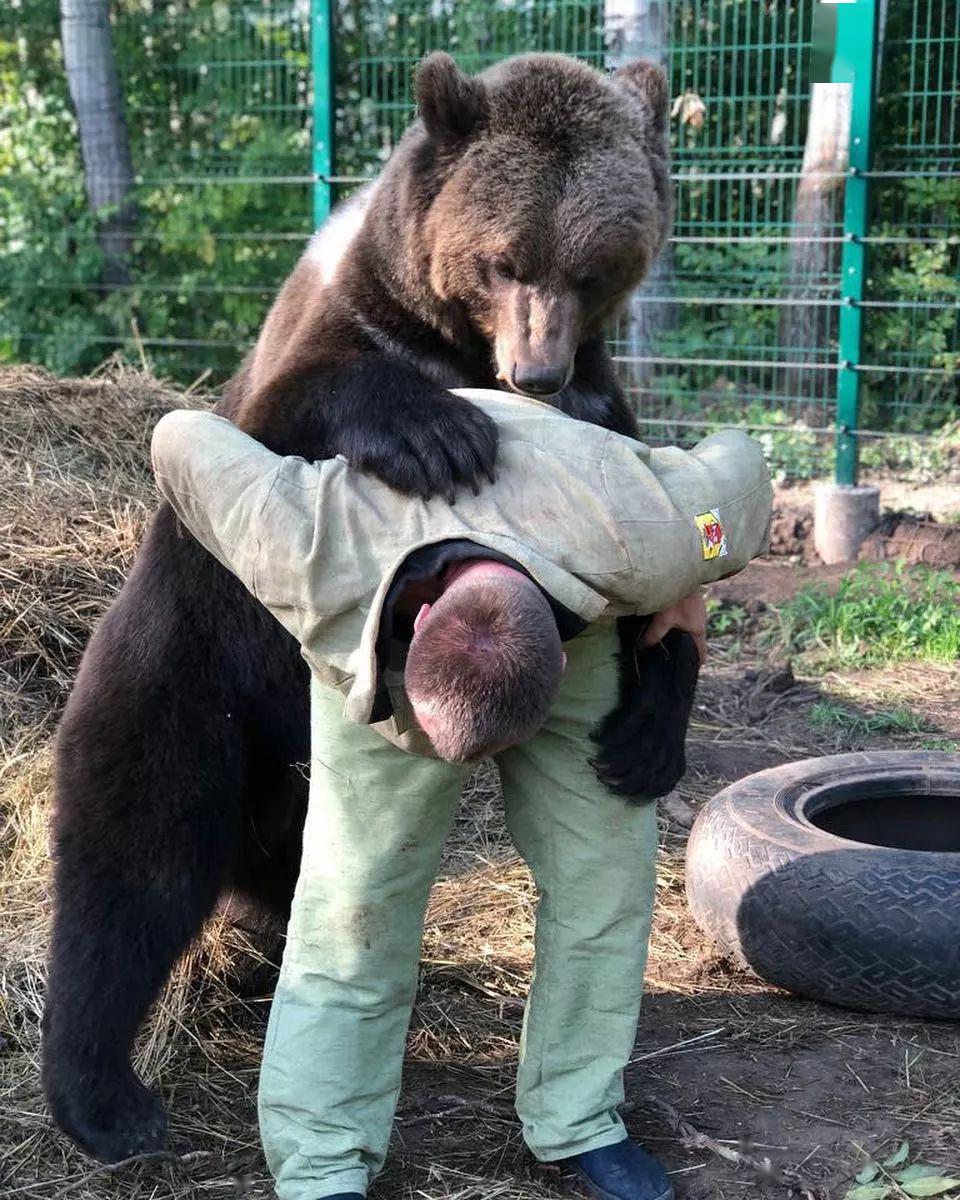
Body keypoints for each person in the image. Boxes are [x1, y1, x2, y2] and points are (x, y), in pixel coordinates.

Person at [151, 388, 772, 1200]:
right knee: (353, 903)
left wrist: (691, 569)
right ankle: (323, 1159)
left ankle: (578, 1118)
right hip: (375, 610)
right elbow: (179, 433)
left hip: (576, 560)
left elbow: (742, 465)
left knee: (605, 877)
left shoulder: (647, 537)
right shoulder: (301, 536)